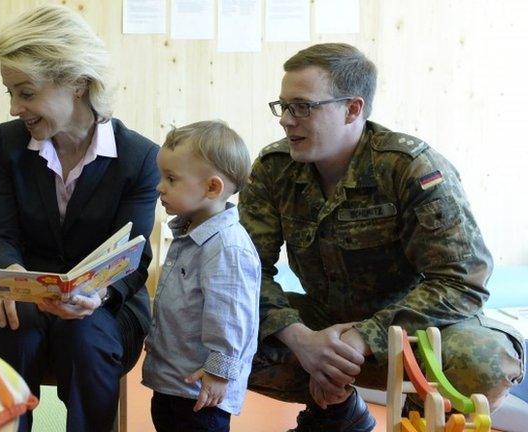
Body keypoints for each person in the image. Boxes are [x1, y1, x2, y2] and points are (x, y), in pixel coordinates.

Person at [239, 42, 524, 431]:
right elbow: (245, 270)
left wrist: (365, 337)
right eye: (283, 106)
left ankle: (420, 420)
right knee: (198, 330)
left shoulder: (410, 168)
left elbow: (462, 281)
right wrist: (301, 338)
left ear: (352, 108)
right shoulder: (275, 169)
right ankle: (337, 414)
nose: (287, 120)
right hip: (324, 327)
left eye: (303, 106)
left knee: (485, 360)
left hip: (416, 331)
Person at [0, 5, 159, 432]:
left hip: (107, 309)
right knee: (11, 324)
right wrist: (10, 276)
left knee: (84, 334)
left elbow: (133, 257)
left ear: (76, 83)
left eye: (25, 92)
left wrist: (99, 295)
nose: (15, 107)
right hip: (26, 300)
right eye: (10, 93)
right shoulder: (6, 145)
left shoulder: (139, 158)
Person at [142, 120, 261, 432]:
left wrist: (220, 372)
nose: (159, 187)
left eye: (171, 179)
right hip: (173, 382)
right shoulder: (189, 231)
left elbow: (232, 317)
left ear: (212, 187)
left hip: (201, 393)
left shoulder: (227, 247)